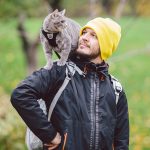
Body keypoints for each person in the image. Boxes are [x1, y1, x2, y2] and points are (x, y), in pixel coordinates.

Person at [11, 17, 129, 150]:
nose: (84, 38)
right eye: (84, 33)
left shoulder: (116, 90)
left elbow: (121, 143)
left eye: (93, 35)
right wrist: (50, 135)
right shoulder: (59, 71)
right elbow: (21, 94)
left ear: (105, 45)